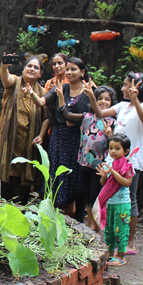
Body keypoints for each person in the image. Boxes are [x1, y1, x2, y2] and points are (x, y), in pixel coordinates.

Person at [84, 71, 143, 255]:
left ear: (137, 87)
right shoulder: (122, 106)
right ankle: (113, 238)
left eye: (125, 85)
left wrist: (136, 100)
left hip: (131, 161)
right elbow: (99, 113)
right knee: (110, 197)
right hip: (113, 159)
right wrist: (91, 96)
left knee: (128, 199)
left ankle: (129, 243)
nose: (122, 88)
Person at [24, 57, 91, 218]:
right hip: (58, 137)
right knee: (56, 174)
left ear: (82, 72)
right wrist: (32, 93)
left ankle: (79, 219)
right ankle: (53, 216)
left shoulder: (88, 92)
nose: (69, 72)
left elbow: (88, 115)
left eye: (73, 69)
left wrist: (72, 117)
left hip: (78, 138)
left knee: (76, 176)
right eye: (68, 69)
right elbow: (41, 102)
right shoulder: (61, 88)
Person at [0, 56, 49, 205]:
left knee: (21, 182)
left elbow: (47, 117)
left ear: (40, 74)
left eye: (36, 68)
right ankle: (0, 211)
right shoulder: (15, 82)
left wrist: (41, 135)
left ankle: (18, 213)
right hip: (8, 142)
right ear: (23, 69)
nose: (32, 69)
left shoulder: (42, 92)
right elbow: (5, 78)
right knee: (5, 179)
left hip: (28, 145)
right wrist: (4, 66)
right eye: (29, 66)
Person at [58, 84, 116, 231]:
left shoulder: (112, 121)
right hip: (84, 162)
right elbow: (67, 115)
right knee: (88, 193)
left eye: (107, 99)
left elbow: (117, 144)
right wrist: (60, 97)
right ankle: (90, 224)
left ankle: (97, 224)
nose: (103, 102)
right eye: (99, 98)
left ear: (111, 103)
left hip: (101, 164)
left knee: (97, 194)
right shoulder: (86, 117)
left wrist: (110, 135)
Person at [95, 133, 134, 267]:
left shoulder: (127, 165)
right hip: (110, 202)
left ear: (126, 151)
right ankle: (110, 253)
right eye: (111, 148)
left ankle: (121, 256)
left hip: (122, 203)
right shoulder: (110, 164)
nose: (113, 151)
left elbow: (127, 183)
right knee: (109, 229)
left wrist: (114, 173)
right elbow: (104, 185)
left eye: (117, 148)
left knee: (120, 229)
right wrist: (104, 176)